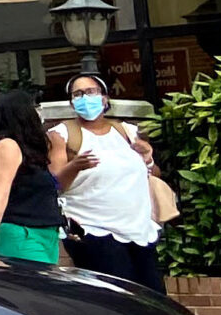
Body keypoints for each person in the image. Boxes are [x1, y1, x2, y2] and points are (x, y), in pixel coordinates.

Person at [55, 72, 166, 292]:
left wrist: (149, 158)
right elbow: (55, 183)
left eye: (90, 92)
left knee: (154, 296)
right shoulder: (61, 134)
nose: (85, 98)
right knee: (118, 297)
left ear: (104, 98)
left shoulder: (127, 131)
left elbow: (154, 175)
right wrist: (75, 166)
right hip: (94, 231)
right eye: (77, 94)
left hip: (138, 229)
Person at [0, 87, 89, 265]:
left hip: (44, 233)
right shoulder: (8, 146)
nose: (38, 111)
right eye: (34, 107)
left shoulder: (30, 149)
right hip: (23, 234)